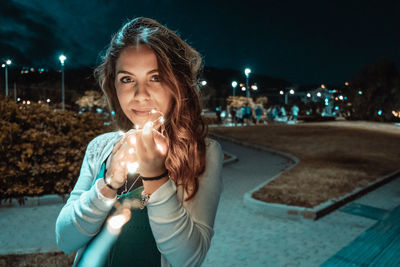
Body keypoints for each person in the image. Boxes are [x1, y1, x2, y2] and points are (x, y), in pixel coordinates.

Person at [55, 17, 223, 267]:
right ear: (114, 85)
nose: (139, 94)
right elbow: (65, 240)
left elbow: (188, 258)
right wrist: (107, 185)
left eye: (155, 78)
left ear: (177, 84)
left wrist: (157, 178)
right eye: (127, 79)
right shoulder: (101, 148)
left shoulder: (202, 153)